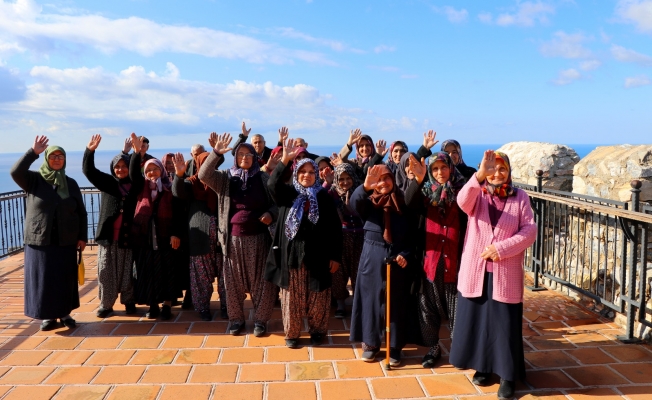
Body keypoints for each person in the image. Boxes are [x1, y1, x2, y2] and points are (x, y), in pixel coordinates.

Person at [449, 150, 537, 400]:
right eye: (492, 169)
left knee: (503, 324)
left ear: (509, 172)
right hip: (475, 271)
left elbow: (529, 231)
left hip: (504, 272)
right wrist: (479, 175)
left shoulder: (520, 197)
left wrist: (501, 249)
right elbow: (461, 201)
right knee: (478, 321)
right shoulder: (478, 194)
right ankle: (483, 366)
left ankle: (508, 375)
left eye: (502, 169)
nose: (497, 174)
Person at [265, 134, 342, 348]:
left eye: (310, 172)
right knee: (292, 297)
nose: (306, 175)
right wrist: (284, 160)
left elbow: (336, 229)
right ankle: (292, 333)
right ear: (296, 174)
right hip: (292, 256)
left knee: (319, 296)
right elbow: (272, 183)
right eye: (302, 172)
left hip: (319, 255)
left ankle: (318, 331)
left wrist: (335, 256)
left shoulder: (324, 197)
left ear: (316, 175)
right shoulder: (287, 195)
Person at [199, 132, 278, 336]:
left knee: (262, 281)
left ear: (254, 157)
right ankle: (236, 320)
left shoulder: (262, 177)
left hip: (259, 238)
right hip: (232, 239)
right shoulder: (226, 177)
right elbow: (203, 175)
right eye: (241, 154)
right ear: (235, 157)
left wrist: (270, 213)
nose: (244, 157)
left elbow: (277, 204)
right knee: (232, 283)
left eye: (248, 155)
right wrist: (216, 152)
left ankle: (260, 320)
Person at [10, 136, 88, 331]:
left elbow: (81, 211)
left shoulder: (70, 183)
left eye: (60, 156)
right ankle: (47, 316)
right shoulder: (34, 180)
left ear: (65, 160)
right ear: (46, 158)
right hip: (40, 239)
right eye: (52, 156)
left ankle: (65, 313)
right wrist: (32, 152)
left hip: (66, 239)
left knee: (64, 278)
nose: (56, 159)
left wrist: (82, 237)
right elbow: (15, 171)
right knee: (43, 279)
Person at [405, 152, 467, 367]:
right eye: (435, 169)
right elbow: (408, 202)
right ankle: (433, 348)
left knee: (456, 308)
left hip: (455, 263)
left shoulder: (462, 194)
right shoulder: (425, 194)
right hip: (430, 262)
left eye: (444, 167)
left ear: (451, 168)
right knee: (427, 307)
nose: (440, 172)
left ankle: (459, 351)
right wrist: (419, 180)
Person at [349, 164, 414, 366]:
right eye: (379, 179)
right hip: (372, 253)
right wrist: (365, 186)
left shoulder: (403, 203)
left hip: (397, 257)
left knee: (395, 300)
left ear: (393, 180)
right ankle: (370, 342)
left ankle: (394, 346)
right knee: (370, 299)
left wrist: (405, 254)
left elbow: (413, 237)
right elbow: (353, 204)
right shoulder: (368, 203)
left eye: (387, 178)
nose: (383, 183)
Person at [82, 134, 138, 318]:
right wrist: (90, 151)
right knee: (106, 272)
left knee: (127, 271)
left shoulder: (136, 185)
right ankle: (106, 304)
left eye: (124, 166)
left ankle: (129, 301)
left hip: (127, 237)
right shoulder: (108, 182)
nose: (121, 169)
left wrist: (133, 153)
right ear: (113, 169)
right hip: (108, 237)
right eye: (117, 167)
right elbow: (89, 171)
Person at [129, 134, 183, 320]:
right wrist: (136, 153)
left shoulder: (169, 188)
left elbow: (177, 213)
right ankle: (153, 306)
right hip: (144, 239)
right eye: (148, 170)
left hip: (165, 238)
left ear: (162, 170)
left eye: (155, 169)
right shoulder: (140, 188)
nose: (152, 173)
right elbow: (133, 175)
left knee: (167, 272)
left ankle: (167, 305)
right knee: (148, 273)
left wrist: (176, 233)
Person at [171, 151, 228, 321]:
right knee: (201, 276)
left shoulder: (221, 181)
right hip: (200, 239)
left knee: (226, 276)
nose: (206, 167)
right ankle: (203, 307)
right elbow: (177, 192)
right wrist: (179, 174)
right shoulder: (191, 183)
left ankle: (227, 306)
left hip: (221, 239)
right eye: (203, 163)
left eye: (209, 163)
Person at [327, 163, 364, 318]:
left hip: (360, 237)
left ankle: (358, 304)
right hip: (340, 238)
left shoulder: (361, 192)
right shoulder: (332, 193)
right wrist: (327, 182)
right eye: (341, 179)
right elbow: (321, 198)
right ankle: (341, 305)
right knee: (339, 273)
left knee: (358, 272)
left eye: (348, 178)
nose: (345, 182)